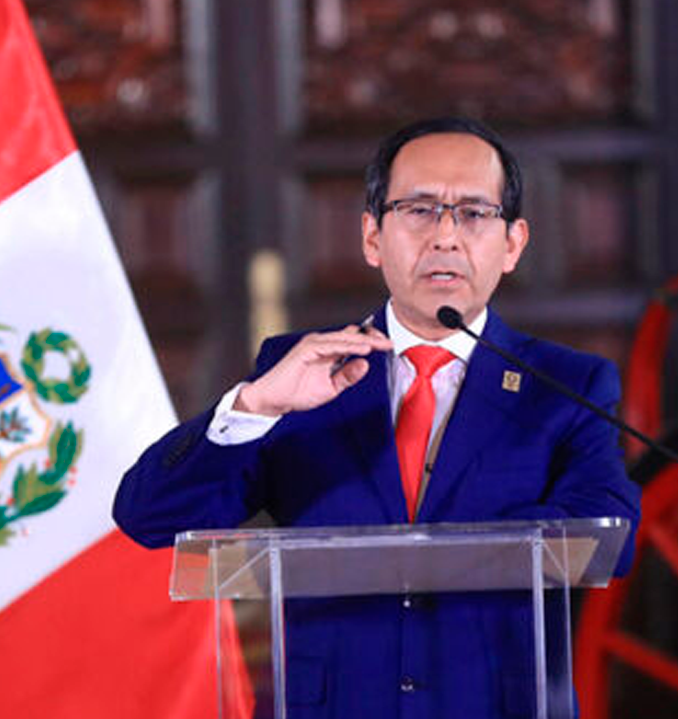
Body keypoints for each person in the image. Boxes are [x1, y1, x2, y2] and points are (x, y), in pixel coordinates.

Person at [113, 116, 640, 718]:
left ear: (513, 244)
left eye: (473, 213)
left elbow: (611, 539)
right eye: (419, 210)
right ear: (372, 236)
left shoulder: (567, 386)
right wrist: (256, 405)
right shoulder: (300, 370)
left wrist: (438, 551)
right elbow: (148, 517)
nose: (445, 237)